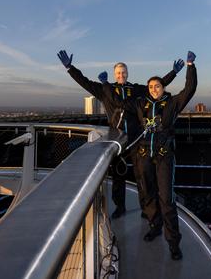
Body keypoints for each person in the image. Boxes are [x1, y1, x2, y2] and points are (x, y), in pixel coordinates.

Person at [57, 49, 184, 219]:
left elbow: (156, 86)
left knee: (142, 176)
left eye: (124, 72)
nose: (121, 75)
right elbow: (85, 82)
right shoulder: (104, 89)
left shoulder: (136, 89)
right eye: (118, 73)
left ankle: (147, 210)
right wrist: (70, 68)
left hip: (136, 139)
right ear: (114, 75)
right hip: (116, 139)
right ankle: (120, 206)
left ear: (127, 73)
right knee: (118, 176)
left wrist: (174, 73)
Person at [104, 51, 197, 260]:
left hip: (164, 156)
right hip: (144, 154)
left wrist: (190, 66)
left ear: (162, 88)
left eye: (158, 86)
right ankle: (154, 226)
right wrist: (107, 86)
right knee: (148, 194)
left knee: (166, 198)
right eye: (151, 86)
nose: (154, 89)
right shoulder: (140, 103)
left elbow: (189, 89)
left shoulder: (172, 103)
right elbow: (119, 102)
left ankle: (173, 242)